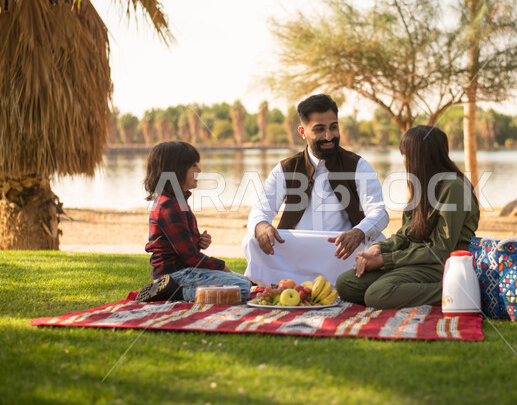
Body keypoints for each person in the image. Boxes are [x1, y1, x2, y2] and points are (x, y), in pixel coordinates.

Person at [243, 94, 389, 284]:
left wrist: (358, 231)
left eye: (333, 127)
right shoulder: (286, 168)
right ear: (302, 132)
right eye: (319, 129)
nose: (329, 136)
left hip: (342, 250)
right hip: (299, 250)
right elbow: (261, 209)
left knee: (378, 242)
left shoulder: (358, 166)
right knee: (252, 239)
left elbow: (379, 212)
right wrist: (262, 226)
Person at [336, 125, 480, 309]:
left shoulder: (454, 188)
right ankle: (398, 288)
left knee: (377, 294)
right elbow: (406, 234)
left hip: (440, 265)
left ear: (420, 157)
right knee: (346, 284)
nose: (403, 160)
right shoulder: (423, 186)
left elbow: (441, 250)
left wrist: (386, 261)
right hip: (415, 261)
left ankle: (458, 290)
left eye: (405, 154)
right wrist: (378, 248)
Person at [137, 141, 251, 302]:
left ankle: (176, 290)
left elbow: (182, 245)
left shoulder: (177, 201)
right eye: (194, 166)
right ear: (177, 170)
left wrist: (199, 240)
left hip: (185, 271)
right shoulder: (169, 205)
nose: (199, 170)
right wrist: (222, 266)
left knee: (244, 282)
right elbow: (191, 258)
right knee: (242, 288)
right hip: (176, 275)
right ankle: (173, 293)